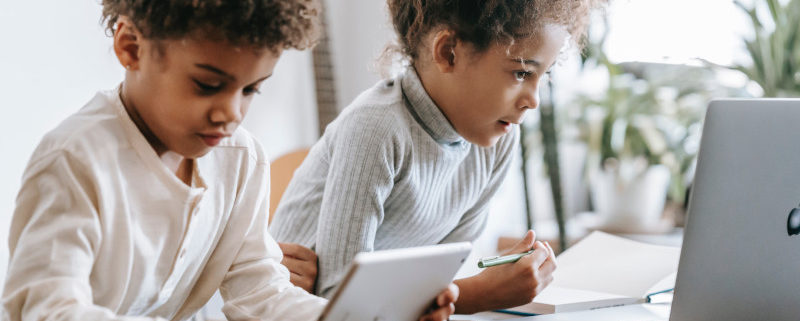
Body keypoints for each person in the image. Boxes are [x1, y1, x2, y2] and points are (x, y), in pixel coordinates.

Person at [1, 1, 457, 320]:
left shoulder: (241, 159)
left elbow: (260, 293)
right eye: (206, 84)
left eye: (251, 89)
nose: (231, 114)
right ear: (131, 47)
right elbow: (47, 310)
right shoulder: (73, 161)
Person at [270, 0, 604, 314]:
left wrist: (451, 294)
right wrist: (482, 293)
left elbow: (430, 284)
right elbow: (341, 302)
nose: (534, 101)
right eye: (521, 73)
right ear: (448, 53)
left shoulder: (497, 142)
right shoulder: (376, 127)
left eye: (543, 76)